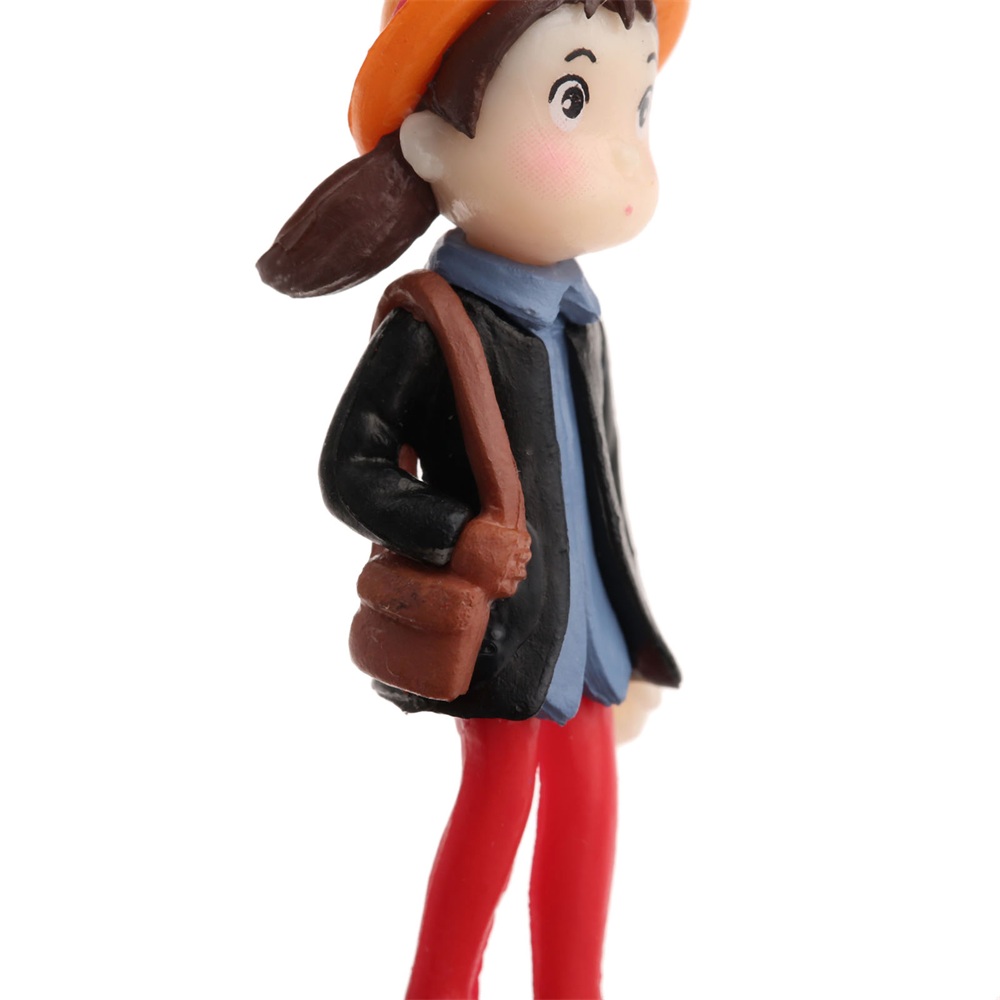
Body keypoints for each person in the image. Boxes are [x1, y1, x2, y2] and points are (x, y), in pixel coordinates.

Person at [258, 1, 689, 996]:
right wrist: (455, 535)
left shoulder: (576, 316)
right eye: (572, 99)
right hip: (506, 637)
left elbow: (596, 488)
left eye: (638, 104)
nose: (624, 154)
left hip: (582, 634)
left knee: (589, 814)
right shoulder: (432, 323)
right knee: (496, 811)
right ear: (435, 142)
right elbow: (351, 467)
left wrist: (627, 636)